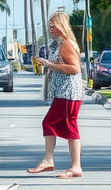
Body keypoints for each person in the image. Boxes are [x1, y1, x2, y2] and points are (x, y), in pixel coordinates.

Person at [28, 12, 84, 179]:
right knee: (69, 126)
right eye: (49, 25)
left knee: (51, 123)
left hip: (68, 93)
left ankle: (51, 160)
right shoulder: (60, 44)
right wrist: (47, 64)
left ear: (61, 26)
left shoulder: (66, 44)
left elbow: (74, 68)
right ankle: (73, 166)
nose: (50, 28)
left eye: (53, 25)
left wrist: (50, 65)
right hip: (65, 93)